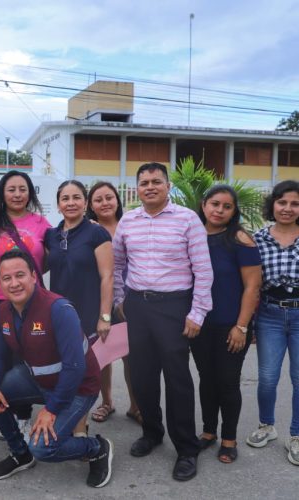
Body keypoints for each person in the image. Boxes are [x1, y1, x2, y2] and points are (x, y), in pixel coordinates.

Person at [112, 162, 213, 481]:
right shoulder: (128, 221)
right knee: (142, 376)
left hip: (174, 306)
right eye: (144, 182)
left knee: (177, 378)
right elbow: (117, 265)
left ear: (168, 186)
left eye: (156, 181)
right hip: (138, 305)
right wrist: (119, 300)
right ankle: (152, 433)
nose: (150, 187)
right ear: (137, 188)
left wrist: (197, 313)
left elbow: (203, 270)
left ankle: (186, 448)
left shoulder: (187, 219)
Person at [0, 249, 113, 488]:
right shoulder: (2, 311)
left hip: (78, 388)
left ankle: (96, 448)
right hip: (38, 380)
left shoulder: (59, 309)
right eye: (7, 278)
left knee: (43, 448)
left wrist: (51, 410)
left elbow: (75, 368)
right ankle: (21, 453)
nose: (14, 283)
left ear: (34, 276)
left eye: (20, 275)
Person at [191, 185, 262, 463]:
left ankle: (229, 438)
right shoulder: (193, 236)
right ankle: (208, 432)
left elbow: (252, 286)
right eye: (214, 204)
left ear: (234, 211)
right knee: (207, 380)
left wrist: (242, 326)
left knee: (228, 382)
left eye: (227, 206)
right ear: (204, 204)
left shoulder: (240, 238)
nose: (219, 210)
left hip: (231, 326)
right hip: (200, 325)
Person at [0, 171, 52, 440]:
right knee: (4, 355)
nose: (17, 194)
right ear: (2, 194)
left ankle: (23, 415)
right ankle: (6, 408)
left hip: (30, 301)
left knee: (26, 357)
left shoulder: (41, 223)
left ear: (30, 193)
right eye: (11, 189)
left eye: (22, 189)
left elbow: (49, 257)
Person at [45, 180, 113, 436]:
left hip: (88, 311)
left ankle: (80, 427)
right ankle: (64, 417)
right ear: (59, 204)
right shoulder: (51, 235)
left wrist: (104, 316)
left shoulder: (97, 233)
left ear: (85, 203)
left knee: (83, 371)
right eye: (65, 198)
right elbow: (40, 267)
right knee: (64, 367)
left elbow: (107, 276)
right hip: (59, 313)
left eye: (76, 197)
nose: (71, 202)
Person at [247, 180, 299, 466]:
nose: (288, 208)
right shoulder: (258, 238)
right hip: (269, 314)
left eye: (294, 203)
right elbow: (251, 282)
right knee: (267, 376)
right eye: (282, 202)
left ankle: (297, 435)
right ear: (273, 205)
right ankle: (266, 425)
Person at [86, 182, 141, 425]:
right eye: (98, 199)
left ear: (117, 200)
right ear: (91, 205)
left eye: (109, 197)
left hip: (132, 299)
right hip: (101, 299)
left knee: (132, 356)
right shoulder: (88, 229)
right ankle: (106, 402)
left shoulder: (130, 225)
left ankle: (135, 405)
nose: (105, 203)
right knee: (103, 354)